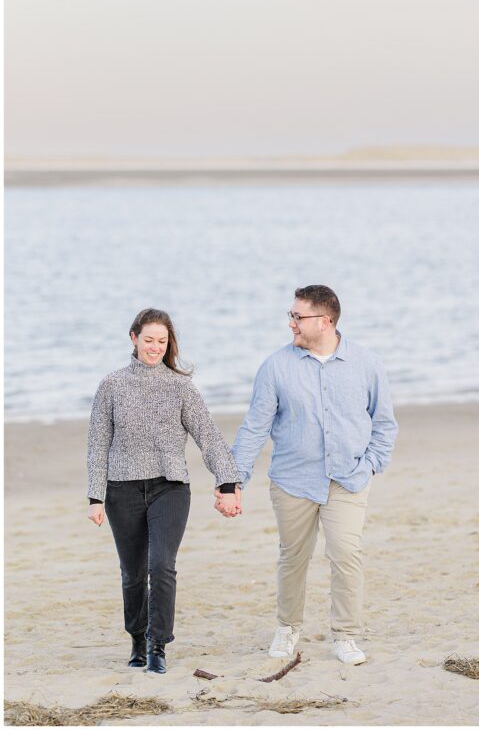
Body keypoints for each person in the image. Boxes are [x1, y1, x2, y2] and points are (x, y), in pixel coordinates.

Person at [215, 285, 398, 666]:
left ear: (325, 321)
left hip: (348, 479)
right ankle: (287, 628)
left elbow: (384, 424)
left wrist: (371, 464)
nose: (291, 323)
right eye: (291, 315)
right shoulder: (276, 367)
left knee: (347, 554)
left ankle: (345, 636)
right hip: (293, 481)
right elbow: (254, 428)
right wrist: (231, 483)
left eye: (298, 317)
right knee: (293, 557)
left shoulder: (366, 364)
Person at [87, 308, 241, 674]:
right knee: (133, 573)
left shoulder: (180, 386)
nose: (155, 348)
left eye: (162, 341)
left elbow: (209, 436)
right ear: (133, 338)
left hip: (169, 487)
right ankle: (137, 641)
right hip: (121, 491)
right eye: (148, 340)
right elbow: (97, 443)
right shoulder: (112, 384)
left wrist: (228, 483)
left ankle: (159, 645)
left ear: (169, 342)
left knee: (162, 565)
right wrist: (95, 496)